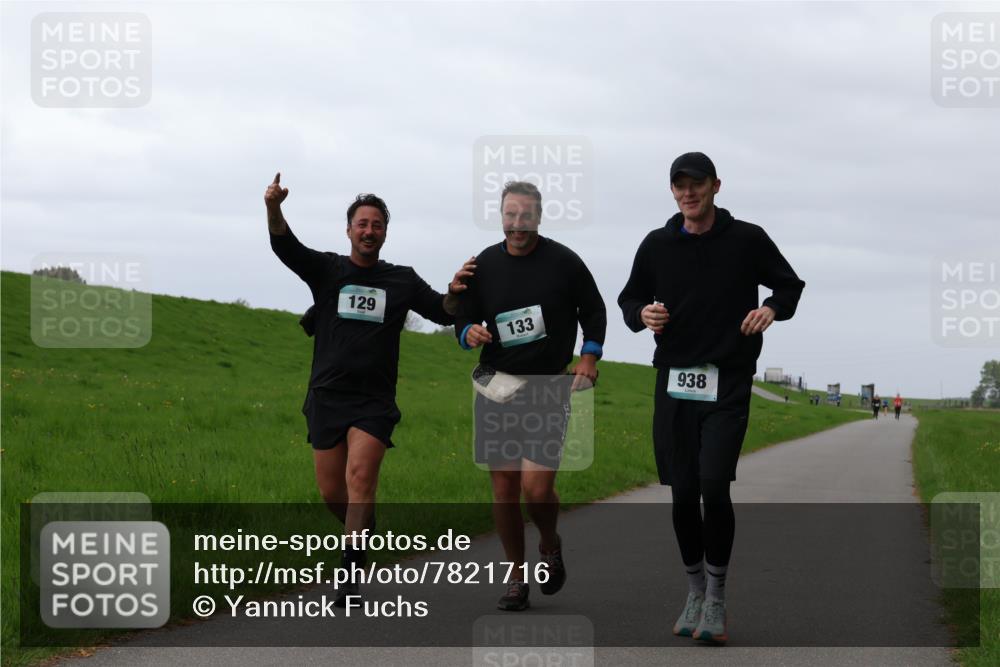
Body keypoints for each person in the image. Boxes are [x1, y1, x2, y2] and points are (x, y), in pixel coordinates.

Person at [617, 152, 804, 645]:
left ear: (716, 186)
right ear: (672, 191)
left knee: (714, 485)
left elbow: (789, 285)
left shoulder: (747, 239)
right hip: (675, 381)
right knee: (682, 493)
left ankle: (717, 598)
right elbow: (629, 299)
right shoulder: (656, 244)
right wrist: (642, 315)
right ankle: (695, 591)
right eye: (679, 186)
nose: (688, 193)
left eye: (696, 184)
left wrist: (771, 308)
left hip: (728, 379)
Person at [265, 172, 474, 605]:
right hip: (327, 396)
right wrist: (273, 207)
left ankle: (350, 575)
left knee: (360, 477)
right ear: (348, 230)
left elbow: (442, 311)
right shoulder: (328, 270)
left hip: (373, 401)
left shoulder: (401, 280)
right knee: (332, 493)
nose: (369, 230)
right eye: (362, 223)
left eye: (377, 225)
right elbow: (286, 246)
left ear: (385, 234)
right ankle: (362, 527)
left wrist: (454, 292)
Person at [455, 181, 606, 612]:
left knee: (536, 489)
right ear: (501, 216)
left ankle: (550, 543)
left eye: (525, 216)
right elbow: (462, 317)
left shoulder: (564, 262)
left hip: (547, 386)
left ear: (538, 217)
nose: (517, 224)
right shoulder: (484, 264)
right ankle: (516, 579)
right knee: (504, 488)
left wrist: (589, 357)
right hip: (496, 384)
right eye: (510, 215)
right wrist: (468, 332)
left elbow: (594, 311)